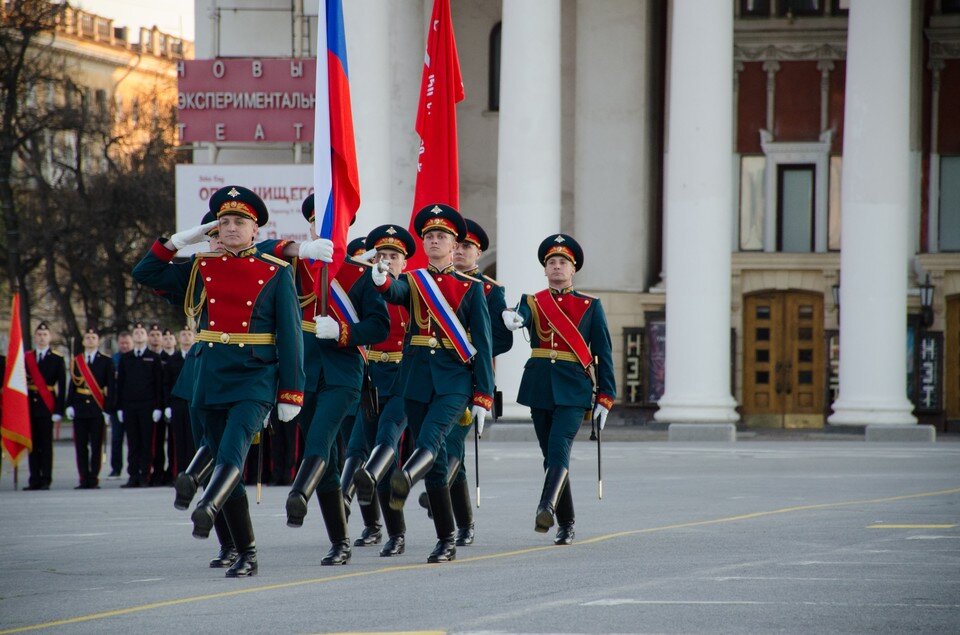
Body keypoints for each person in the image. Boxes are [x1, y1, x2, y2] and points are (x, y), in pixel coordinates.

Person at [133, 184, 305, 578]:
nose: (230, 227)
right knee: (218, 459)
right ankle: (240, 548)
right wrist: (181, 240)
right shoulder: (200, 267)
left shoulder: (275, 273)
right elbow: (145, 272)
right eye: (223, 221)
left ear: (255, 230)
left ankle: (210, 508)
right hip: (208, 376)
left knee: (231, 454)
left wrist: (290, 391)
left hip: (254, 376)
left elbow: (291, 335)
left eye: (239, 221)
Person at [368, 204, 494, 563]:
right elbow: (393, 295)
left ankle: (404, 478)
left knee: (430, 440)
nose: (435, 240)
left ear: (454, 245)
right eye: (430, 236)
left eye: (442, 236)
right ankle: (445, 538)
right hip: (416, 378)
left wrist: (483, 397)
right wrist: (380, 278)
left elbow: (482, 346)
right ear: (424, 244)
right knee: (437, 468)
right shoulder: (413, 280)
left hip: (455, 380)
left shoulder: (470, 288)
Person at [280, 194, 389, 567]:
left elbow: (379, 326)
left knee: (320, 437)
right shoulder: (293, 267)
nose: (323, 229)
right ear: (309, 227)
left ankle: (299, 493)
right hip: (303, 371)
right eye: (317, 223)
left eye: (331, 224)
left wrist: (343, 331)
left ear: (345, 227)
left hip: (343, 372)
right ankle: (339, 540)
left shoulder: (360, 273)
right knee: (327, 454)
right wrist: (298, 249)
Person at [501, 234, 616, 545]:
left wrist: (606, 397)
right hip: (539, 386)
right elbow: (520, 316)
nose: (556, 266)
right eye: (551, 262)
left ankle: (546, 507)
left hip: (574, 387)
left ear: (573, 269)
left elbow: (603, 353)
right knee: (549, 454)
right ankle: (567, 522)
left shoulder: (590, 305)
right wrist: (512, 317)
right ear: (545, 269)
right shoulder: (532, 301)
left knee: (559, 445)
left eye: (562, 262)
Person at [418, 217, 513, 546]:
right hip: (433, 373)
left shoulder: (489, 290)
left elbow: (500, 340)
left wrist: (468, 349)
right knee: (443, 445)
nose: (459, 251)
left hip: (468, 376)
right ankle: (461, 518)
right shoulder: (429, 282)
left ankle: (448, 506)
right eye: (456, 245)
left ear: (479, 252)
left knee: (453, 443)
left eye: (467, 246)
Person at [352, 223, 417, 557]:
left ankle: (396, 533)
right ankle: (372, 523)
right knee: (357, 447)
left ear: (404, 263)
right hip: (371, 373)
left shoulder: (411, 289)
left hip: (404, 376)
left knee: (387, 438)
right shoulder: (364, 289)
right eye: (382, 255)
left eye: (394, 256)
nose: (388, 261)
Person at [66, 327, 115, 489]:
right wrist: (69, 405)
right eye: (88, 337)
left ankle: (93, 478)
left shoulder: (106, 361)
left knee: (96, 446)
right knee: (80, 446)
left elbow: (111, 387)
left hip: (97, 409)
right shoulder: (76, 361)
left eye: (93, 337)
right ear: (83, 341)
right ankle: (83, 478)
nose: (90, 340)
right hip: (79, 409)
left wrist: (107, 410)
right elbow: (72, 385)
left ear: (98, 341)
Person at [115, 322, 163, 488]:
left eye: (142, 332)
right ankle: (133, 475)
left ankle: (145, 475)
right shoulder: (126, 358)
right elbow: (120, 384)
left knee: (146, 442)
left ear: (146, 336)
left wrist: (158, 407)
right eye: (136, 332)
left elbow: (158, 384)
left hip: (147, 406)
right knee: (132, 442)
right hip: (129, 406)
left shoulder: (154, 357)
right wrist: (119, 407)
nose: (138, 335)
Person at [24, 322, 66, 490]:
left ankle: (46, 478)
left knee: (46, 445)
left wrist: (58, 410)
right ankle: (34, 478)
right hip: (29, 407)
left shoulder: (57, 358)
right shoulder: (27, 357)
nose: (42, 338)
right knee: (32, 445)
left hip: (47, 405)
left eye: (45, 335)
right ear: (35, 337)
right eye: (39, 335)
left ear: (50, 338)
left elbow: (62, 387)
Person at [162, 328, 194, 480]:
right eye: (183, 335)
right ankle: (180, 474)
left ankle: (195, 474)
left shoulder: (197, 357)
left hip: (193, 404)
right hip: (177, 404)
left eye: (189, 334)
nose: (186, 337)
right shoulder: (172, 360)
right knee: (178, 441)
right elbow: (166, 384)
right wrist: (167, 405)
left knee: (193, 439)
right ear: (179, 339)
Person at [107, 331, 133, 478]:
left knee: (132, 440)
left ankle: (132, 469)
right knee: (116, 439)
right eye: (122, 343)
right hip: (116, 405)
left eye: (127, 343)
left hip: (130, 404)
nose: (124, 346)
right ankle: (115, 468)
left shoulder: (135, 358)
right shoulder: (114, 360)